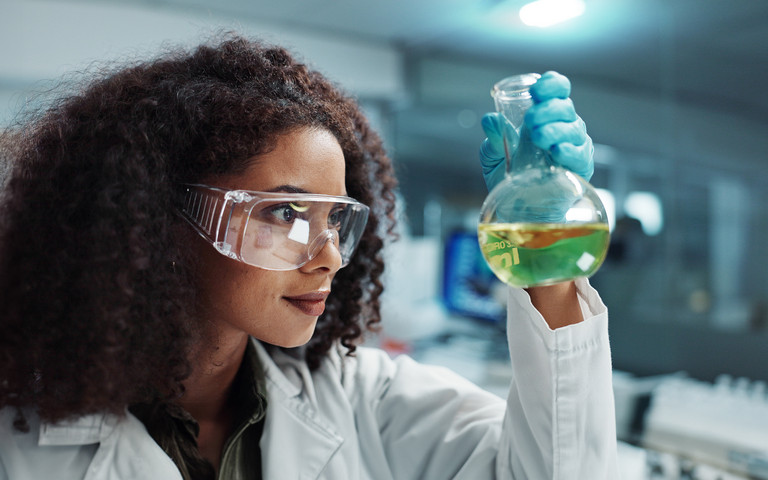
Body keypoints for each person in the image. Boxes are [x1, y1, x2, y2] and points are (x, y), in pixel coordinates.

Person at [0, 34, 618, 479]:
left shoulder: (360, 398)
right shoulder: (18, 443)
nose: (330, 259)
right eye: (284, 213)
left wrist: (552, 266)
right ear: (154, 218)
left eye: (337, 218)